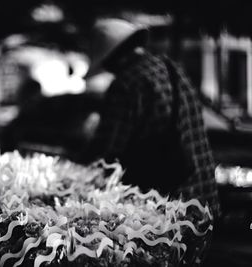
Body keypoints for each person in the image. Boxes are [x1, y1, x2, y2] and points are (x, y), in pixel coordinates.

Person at [80, 18, 220, 219]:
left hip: (167, 204)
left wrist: (78, 168)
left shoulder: (127, 83)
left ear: (113, 59)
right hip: (204, 192)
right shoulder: (171, 68)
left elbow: (107, 147)